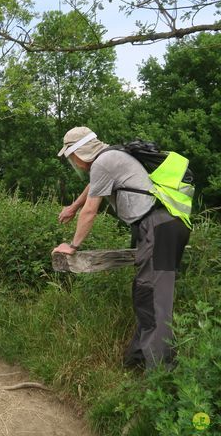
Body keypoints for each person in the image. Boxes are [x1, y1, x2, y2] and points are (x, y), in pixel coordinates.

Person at [52, 127, 191, 370]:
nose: (72, 162)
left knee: (153, 299)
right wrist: (73, 207)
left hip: (158, 227)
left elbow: (91, 211)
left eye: (71, 156)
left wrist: (72, 246)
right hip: (165, 225)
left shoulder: (104, 162)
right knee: (145, 294)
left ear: (80, 152)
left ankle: (160, 374)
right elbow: (94, 186)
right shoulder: (110, 157)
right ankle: (136, 361)